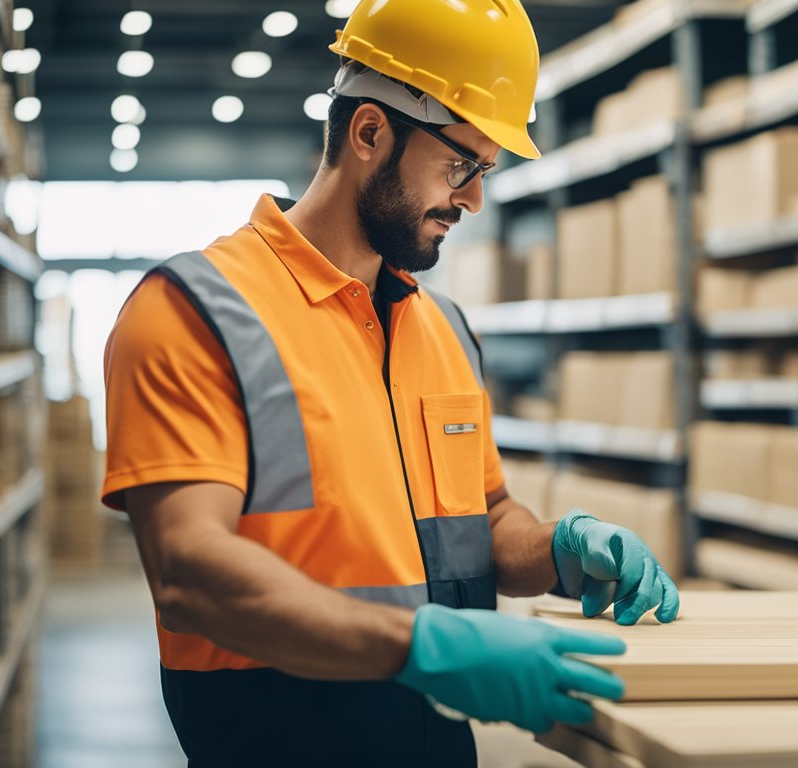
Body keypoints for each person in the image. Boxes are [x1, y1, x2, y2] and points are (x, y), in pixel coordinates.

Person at [100, 1, 680, 765]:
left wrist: (562, 551)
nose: (473, 198)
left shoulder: (442, 328)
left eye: (485, 172)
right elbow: (189, 571)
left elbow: (487, 519)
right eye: (461, 164)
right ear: (370, 132)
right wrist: (422, 645)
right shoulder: (192, 313)